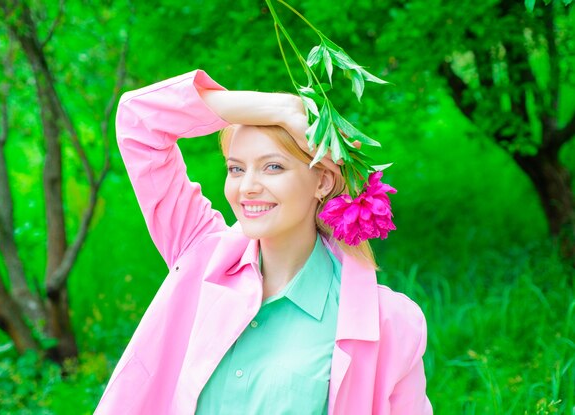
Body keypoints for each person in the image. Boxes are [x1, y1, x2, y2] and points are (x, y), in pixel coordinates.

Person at [94, 70, 432, 415]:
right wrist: (282, 108)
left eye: (272, 167)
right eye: (236, 169)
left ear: (323, 182)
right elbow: (140, 117)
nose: (248, 187)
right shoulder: (199, 252)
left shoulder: (388, 322)